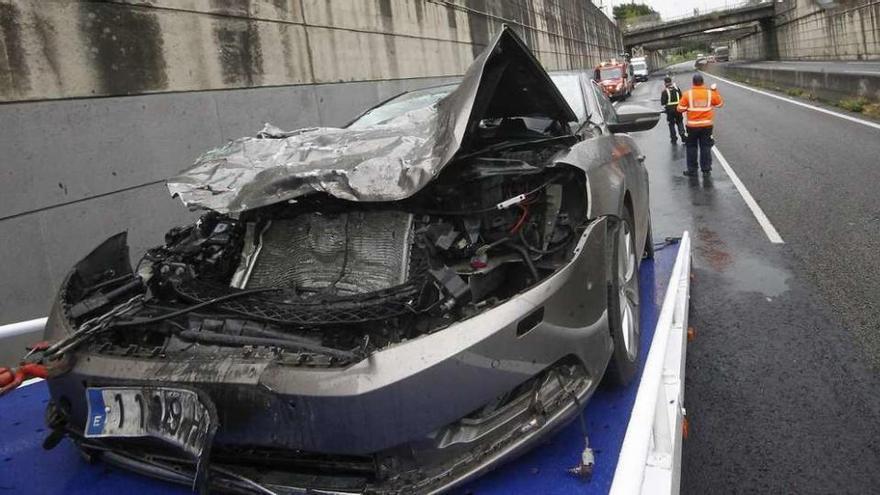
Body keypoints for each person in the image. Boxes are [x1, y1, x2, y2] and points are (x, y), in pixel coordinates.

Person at [677, 73, 724, 177]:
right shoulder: (709, 93)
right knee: (705, 147)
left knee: (692, 148)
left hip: (692, 127)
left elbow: (679, 109)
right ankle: (706, 169)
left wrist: (687, 108)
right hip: (706, 126)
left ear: (693, 83)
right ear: (703, 82)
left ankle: (692, 170)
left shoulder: (687, 94)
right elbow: (720, 104)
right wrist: (715, 91)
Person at [660, 76, 686, 144]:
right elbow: (682, 98)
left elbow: (663, 102)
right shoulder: (677, 89)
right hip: (678, 109)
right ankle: (683, 137)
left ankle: (673, 138)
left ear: (665, 83)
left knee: (671, 124)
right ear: (671, 82)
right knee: (680, 122)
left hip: (670, 111)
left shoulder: (665, 91)